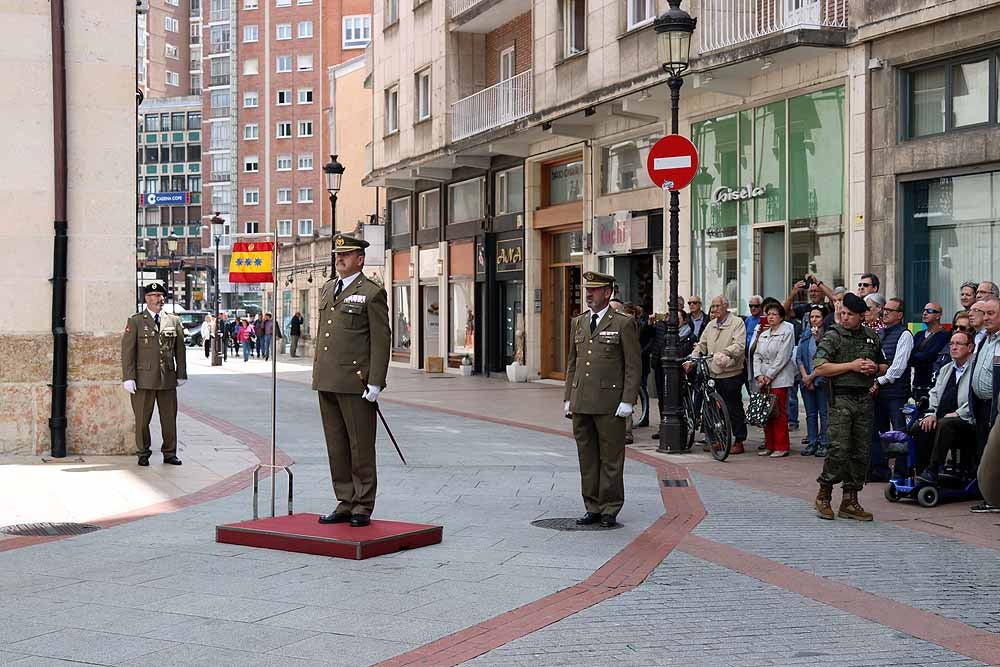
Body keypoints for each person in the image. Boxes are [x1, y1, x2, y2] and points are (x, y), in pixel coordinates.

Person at [314, 233, 391, 528]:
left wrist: (376, 381)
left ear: (360, 259)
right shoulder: (327, 288)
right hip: (328, 379)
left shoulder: (372, 292)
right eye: (337, 255)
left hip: (356, 382)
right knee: (336, 445)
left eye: (345, 255)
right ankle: (345, 501)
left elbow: (381, 341)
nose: (339, 259)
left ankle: (362, 505)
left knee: (360, 447)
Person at [564, 271, 641, 528]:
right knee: (587, 456)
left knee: (610, 457)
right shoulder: (578, 322)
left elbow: (632, 365)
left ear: (607, 293)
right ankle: (592, 506)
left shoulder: (623, 322)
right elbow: (572, 364)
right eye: (587, 289)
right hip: (582, 401)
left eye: (594, 290)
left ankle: (610, 508)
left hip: (610, 403)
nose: (588, 294)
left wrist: (628, 400)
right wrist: (569, 397)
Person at [812, 293, 888, 521]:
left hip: (864, 399)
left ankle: (850, 500)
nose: (844, 318)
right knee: (839, 449)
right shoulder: (833, 336)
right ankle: (824, 494)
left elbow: (885, 365)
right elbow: (820, 368)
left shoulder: (871, 337)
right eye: (842, 313)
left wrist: (874, 368)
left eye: (850, 315)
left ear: (861, 316)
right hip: (841, 399)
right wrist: (852, 366)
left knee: (860, 452)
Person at [121, 282, 187, 467]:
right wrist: (128, 377)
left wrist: (181, 373)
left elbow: (179, 350)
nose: (159, 299)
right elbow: (128, 352)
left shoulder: (173, 320)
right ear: (147, 298)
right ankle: (143, 452)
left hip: (167, 378)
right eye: (155, 295)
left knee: (169, 418)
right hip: (143, 379)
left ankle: (170, 453)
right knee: (142, 419)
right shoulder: (135, 321)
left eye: (161, 295)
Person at [686, 295, 748, 454]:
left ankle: (739, 440)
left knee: (733, 407)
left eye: (717, 306)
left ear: (726, 306)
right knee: (712, 406)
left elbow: (740, 345)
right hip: (712, 372)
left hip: (731, 372)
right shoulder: (711, 325)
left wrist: (725, 353)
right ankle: (718, 439)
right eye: (712, 307)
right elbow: (701, 345)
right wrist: (692, 359)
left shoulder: (737, 323)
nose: (714, 310)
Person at [914, 329, 976, 484]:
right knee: (921, 425)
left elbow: (977, 397)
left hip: (967, 421)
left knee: (945, 424)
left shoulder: (976, 369)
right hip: (944, 418)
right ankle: (922, 473)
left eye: (959, 344)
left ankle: (933, 469)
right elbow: (934, 394)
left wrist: (959, 413)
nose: (953, 347)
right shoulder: (946, 368)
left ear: (970, 347)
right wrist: (931, 413)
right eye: (952, 344)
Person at [869, 297, 914, 481]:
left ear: (900, 315)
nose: (885, 312)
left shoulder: (905, 335)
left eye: (890, 310)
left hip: (896, 394)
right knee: (876, 431)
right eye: (884, 309)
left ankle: (901, 472)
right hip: (878, 391)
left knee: (899, 434)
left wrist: (878, 381)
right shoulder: (880, 333)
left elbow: (897, 368)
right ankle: (879, 469)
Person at [753, 302, 796, 458]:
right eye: (768, 314)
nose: (770, 317)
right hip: (763, 378)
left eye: (774, 314)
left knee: (778, 412)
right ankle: (769, 444)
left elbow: (783, 357)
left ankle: (781, 445)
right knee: (766, 412)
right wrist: (759, 375)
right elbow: (756, 355)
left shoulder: (787, 330)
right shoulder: (764, 333)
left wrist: (769, 376)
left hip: (780, 377)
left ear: (781, 316)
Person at [650, 302, 694, 441]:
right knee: (662, 398)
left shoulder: (688, 334)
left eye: (676, 317)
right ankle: (664, 424)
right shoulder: (661, 327)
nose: (672, 319)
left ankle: (679, 425)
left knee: (676, 398)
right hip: (660, 367)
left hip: (679, 370)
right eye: (669, 316)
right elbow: (648, 335)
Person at [799, 306, 829, 457]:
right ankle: (812, 442)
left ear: (823, 318)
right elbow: (799, 358)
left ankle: (824, 443)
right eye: (812, 317)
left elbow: (824, 359)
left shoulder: (828, 336)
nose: (814, 320)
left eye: (817, 317)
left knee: (824, 413)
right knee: (810, 414)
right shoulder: (805, 334)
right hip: (806, 381)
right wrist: (806, 377)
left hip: (821, 380)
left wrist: (812, 377)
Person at [910, 302, 949, 401]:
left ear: (938, 315)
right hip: (916, 384)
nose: (925, 313)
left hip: (931, 384)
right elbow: (910, 356)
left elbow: (929, 356)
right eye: (924, 310)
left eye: (930, 311)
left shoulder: (944, 335)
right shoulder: (919, 334)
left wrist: (914, 357)